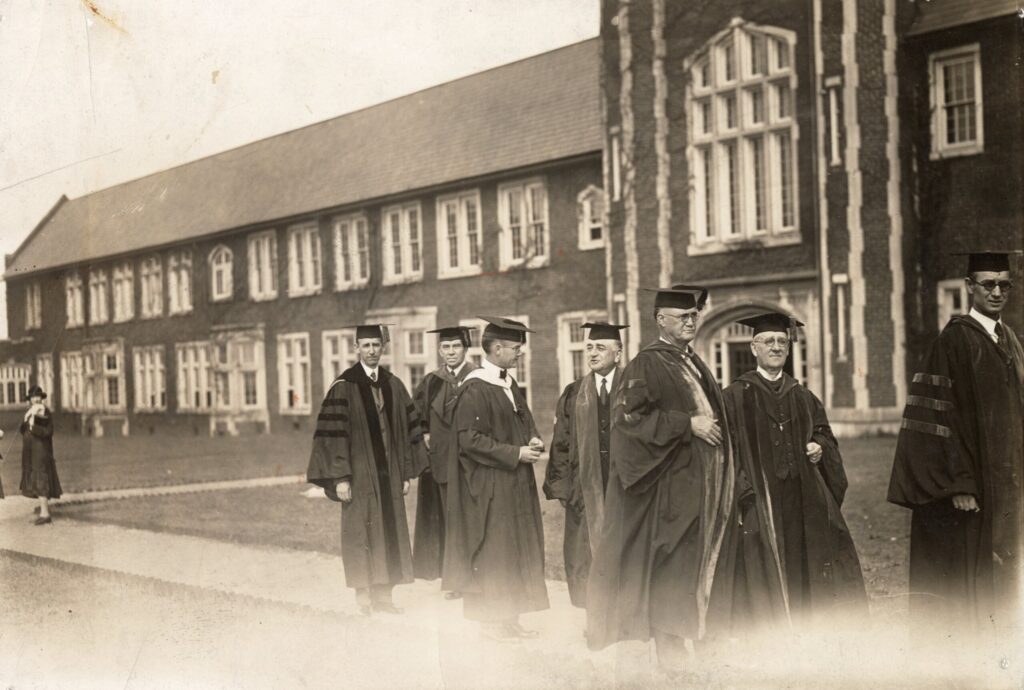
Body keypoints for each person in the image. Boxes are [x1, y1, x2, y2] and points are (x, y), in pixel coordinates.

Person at [586, 285, 734, 672]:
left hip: (704, 487)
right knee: (674, 566)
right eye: (682, 316)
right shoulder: (647, 364)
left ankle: (694, 639)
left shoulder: (692, 362)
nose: (691, 321)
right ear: (660, 321)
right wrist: (688, 424)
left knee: (697, 565)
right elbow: (628, 423)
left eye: (694, 315)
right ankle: (671, 650)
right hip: (672, 487)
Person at [888, 250, 1023, 642]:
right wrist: (959, 482)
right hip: (973, 484)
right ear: (969, 287)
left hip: (1006, 481)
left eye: (1004, 284)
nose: (996, 291)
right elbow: (935, 418)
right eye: (988, 284)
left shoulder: (1009, 340)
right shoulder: (954, 340)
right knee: (966, 580)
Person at [718, 312, 866, 633]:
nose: (776, 347)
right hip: (758, 499)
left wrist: (819, 446)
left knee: (807, 565)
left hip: (802, 498)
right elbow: (725, 454)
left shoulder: (803, 396)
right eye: (768, 341)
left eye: (782, 342)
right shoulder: (734, 397)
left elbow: (825, 435)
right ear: (754, 347)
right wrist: (743, 498)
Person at [306, 324, 428, 616]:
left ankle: (384, 595)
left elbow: (406, 431)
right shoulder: (343, 386)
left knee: (388, 529)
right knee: (360, 531)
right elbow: (332, 436)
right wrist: (340, 478)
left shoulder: (394, 385)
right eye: (367, 345)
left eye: (377, 345)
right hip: (358, 476)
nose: (372, 350)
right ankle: (363, 594)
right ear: (356, 348)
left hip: (388, 474)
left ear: (383, 348)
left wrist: (405, 473)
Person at [443, 316, 549, 640]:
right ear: (497, 348)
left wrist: (532, 439)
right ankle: (491, 623)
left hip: (513, 483)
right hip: (489, 484)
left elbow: (524, 421)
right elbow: (469, 440)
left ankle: (509, 618)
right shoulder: (475, 387)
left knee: (514, 549)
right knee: (495, 553)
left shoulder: (507, 383)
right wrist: (515, 453)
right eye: (516, 348)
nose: (520, 354)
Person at [543, 322, 627, 608]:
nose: (592, 353)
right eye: (589, 347)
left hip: (624, 485)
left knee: (624, 547)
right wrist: (564, 488)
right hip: (584, 486)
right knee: (584, 553)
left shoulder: (633, 388)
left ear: (618, 353)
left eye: (600, 347)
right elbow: (561, 443)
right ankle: (594, 615)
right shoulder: (574, 392)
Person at [411, 325, 478, 596]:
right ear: (439, 350)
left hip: (471, 464)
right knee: (449, 523)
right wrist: (425, 433)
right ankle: (454, 581)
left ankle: (475, 579)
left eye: (456, 347)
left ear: (466, 349)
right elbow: (416, 416)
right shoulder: (432, 381)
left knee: (470, 521)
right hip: (441, 465)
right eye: (446, 347)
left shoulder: (479, 378)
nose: (451, 352)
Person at [19, 386, 62, 525]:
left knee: (40, 477)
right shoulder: (30, 411)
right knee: (34, 477)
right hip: (30, 450)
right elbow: (22, 429)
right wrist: (27, 422)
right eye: (33, 397)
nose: (36, 399)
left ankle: (45, 513)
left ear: (42, 398)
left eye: (38, 397)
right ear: (30, 400)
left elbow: (48, 432)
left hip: (41, 450)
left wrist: (32, 427)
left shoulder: (45, 412)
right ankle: (44, 511)